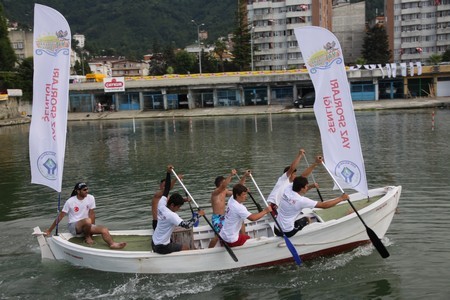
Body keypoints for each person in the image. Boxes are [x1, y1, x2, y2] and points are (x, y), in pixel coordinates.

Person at [44, 182, 127, 249]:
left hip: (87, 224)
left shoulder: (91, 198)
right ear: (78, 191)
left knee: (104, 229)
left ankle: (112, 244)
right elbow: (61, 216)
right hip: (74, 226)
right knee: (87, 220)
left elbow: (92, 213)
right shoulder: (70, 201)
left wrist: (92, 227)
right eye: (84, 190)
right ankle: (87, 237)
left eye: (87, 189)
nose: (87, 191)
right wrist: (49, 230)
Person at [151, 165, 205, 254]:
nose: (178, 209)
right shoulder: (172, 215)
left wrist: (168, 173)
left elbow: (167, 189)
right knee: (186, 247)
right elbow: (187, 225)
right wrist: (199, 215)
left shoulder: (161, 204)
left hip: (154, 242)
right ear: (172, 205)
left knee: (173, 241)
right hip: (161, 247)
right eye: (178, 207)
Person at [275, 176, 349, 237]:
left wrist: (311, 186)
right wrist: (341, 198)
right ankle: (308, 236)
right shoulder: (301, 201)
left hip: (276, 227)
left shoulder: (288, 188)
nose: (307, 187)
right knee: (307, 219)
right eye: (306, 186)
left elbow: (301, 181)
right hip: (286, 232)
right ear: (301, 188)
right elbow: (324, 205)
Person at [267, 149, 323, 216]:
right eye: (294, 174)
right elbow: (292, 168)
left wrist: (315, 164)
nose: (296, 176)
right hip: (273, 208)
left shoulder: (292, 185)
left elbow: (303, 177)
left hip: (282, 209)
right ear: (289, 174)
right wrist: (299, 155)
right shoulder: (284, 179)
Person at [208, 169, 250, 248]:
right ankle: (208, 250)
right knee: (219, 235)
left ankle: (243, 242)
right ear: (220, 184)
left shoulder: (225, 191)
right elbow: (224, 186)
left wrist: (244, 176)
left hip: (224, 217)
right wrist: (231, 175)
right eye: (224, 182)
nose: (226, 183)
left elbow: (238, 189)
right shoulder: (215, 193)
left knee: (241, 221)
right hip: (217, 218)